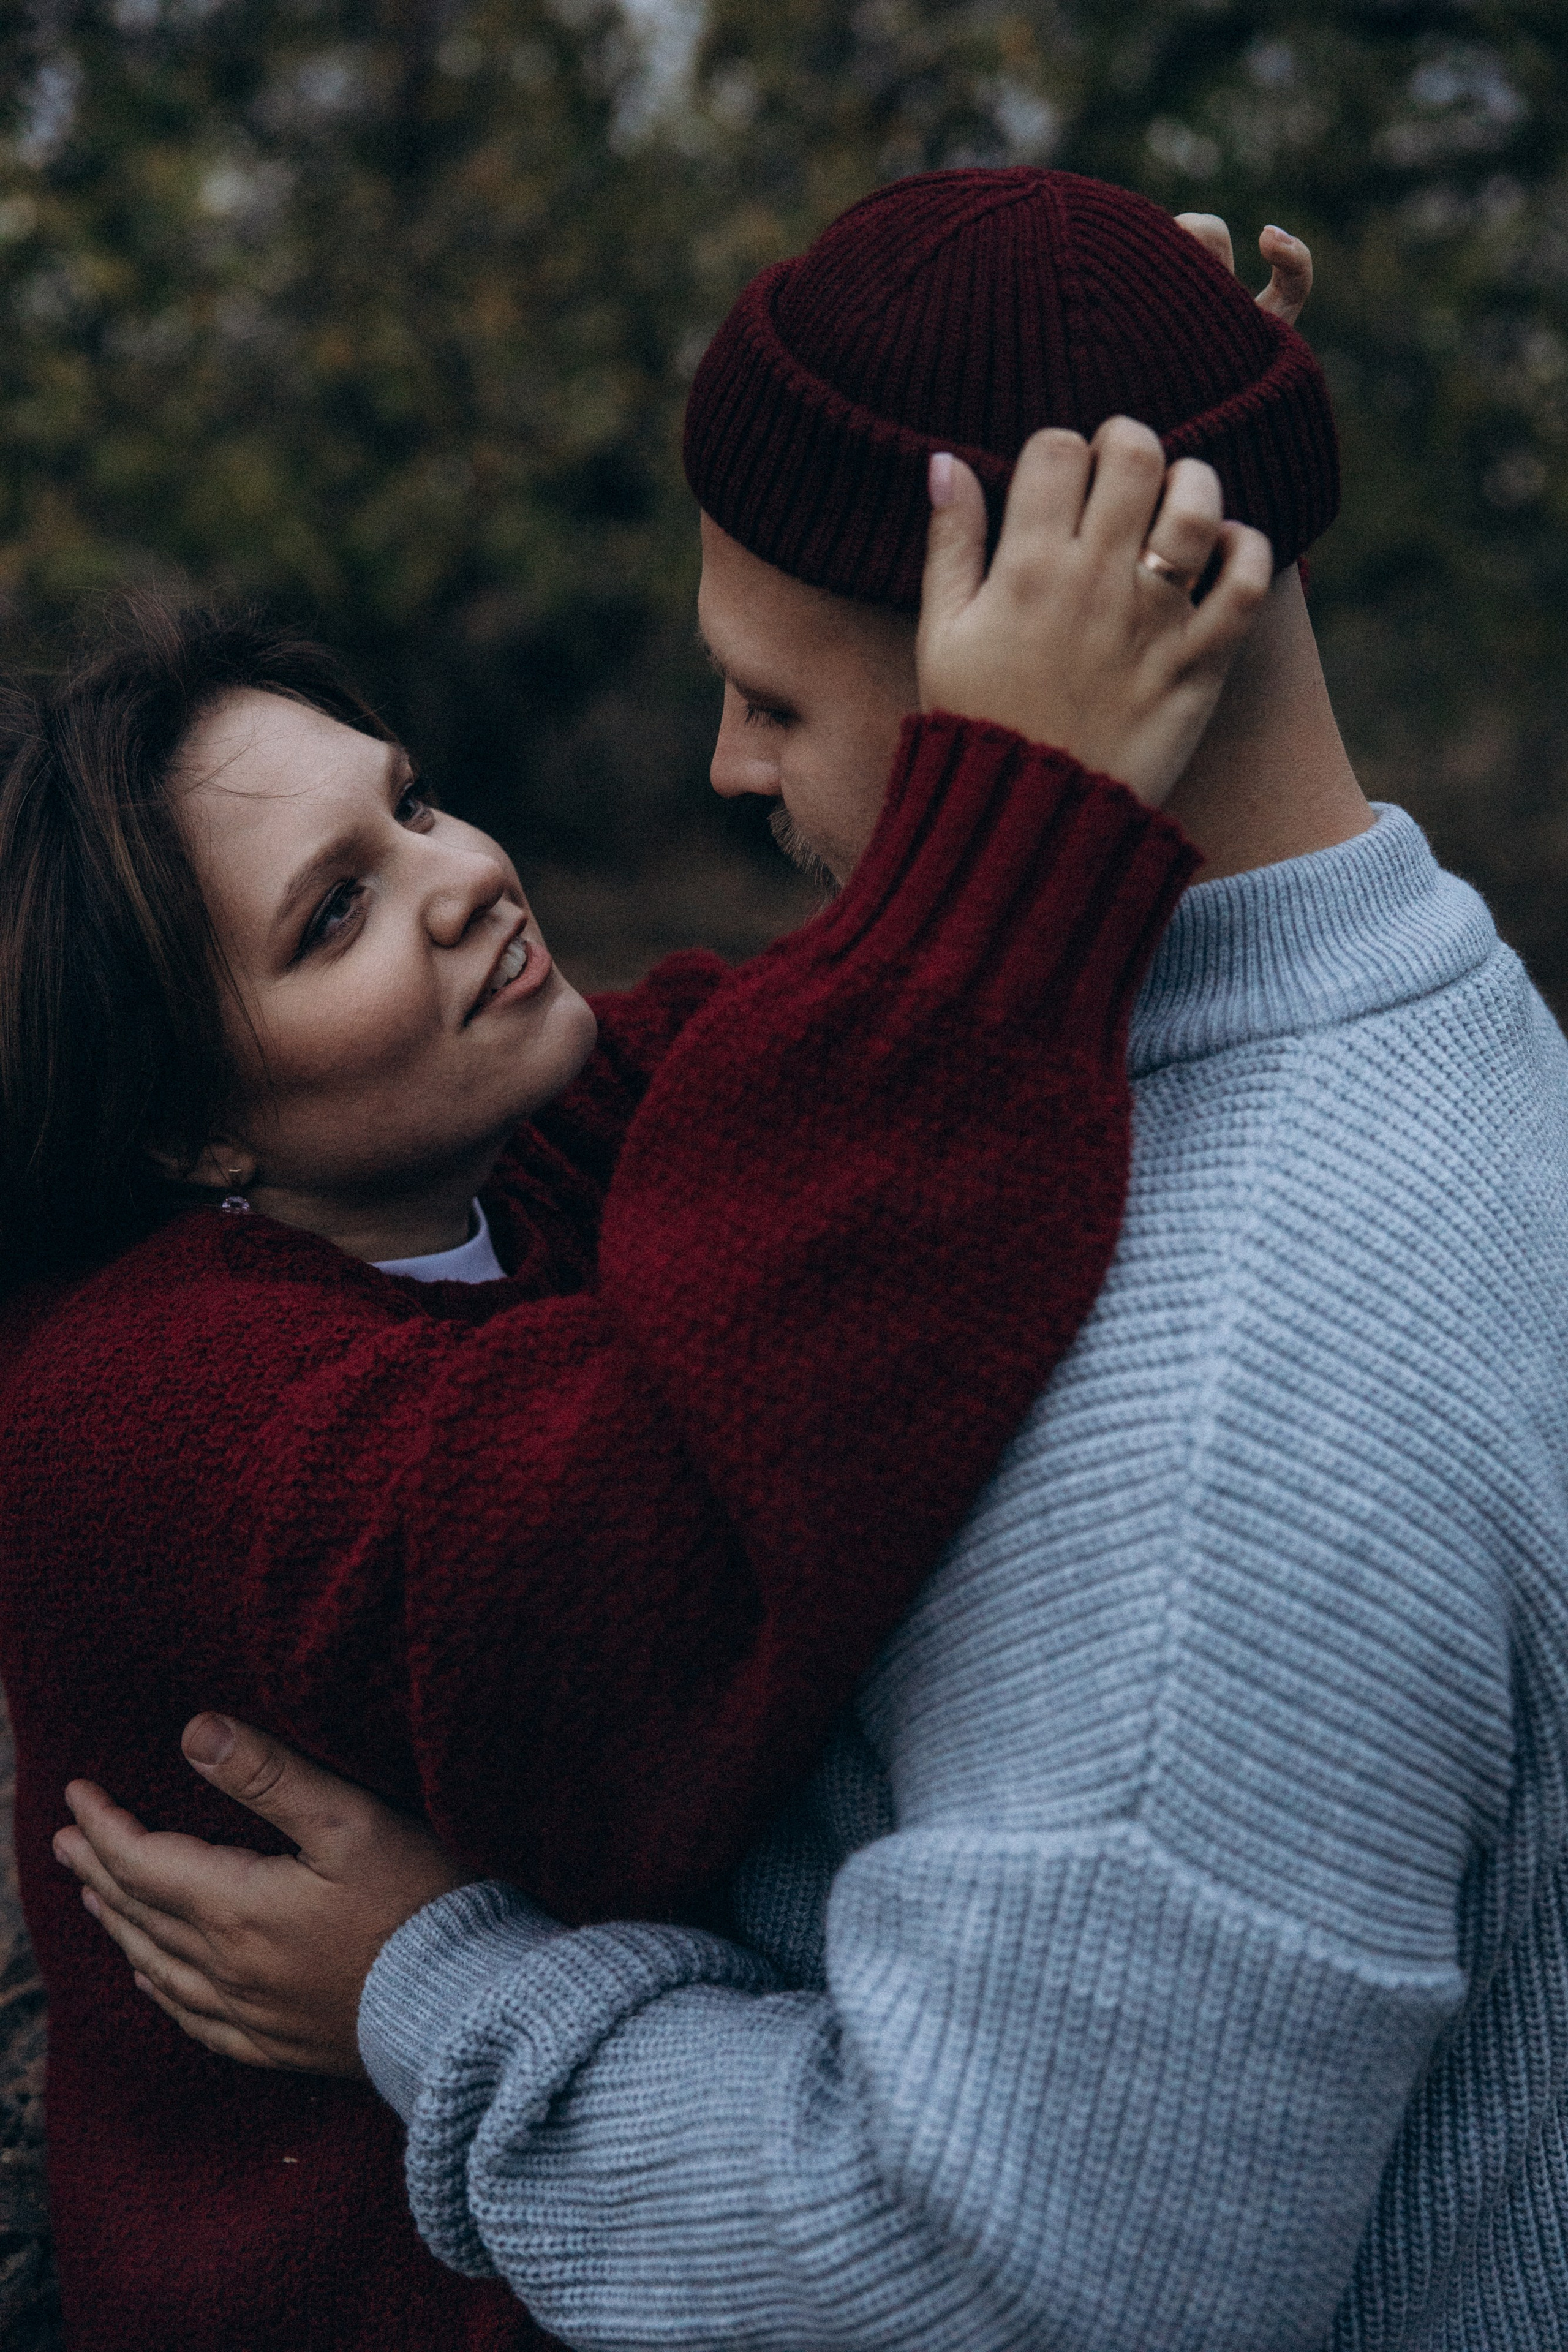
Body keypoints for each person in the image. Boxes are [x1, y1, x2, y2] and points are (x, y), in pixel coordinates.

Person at [62, 167, 1568, 2351]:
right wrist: (1148, 366)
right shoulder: (1437, 1018)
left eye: (772, 693)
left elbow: (987, 2289)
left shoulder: (1218, 1396)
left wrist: (443, 1988)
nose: (724, 762)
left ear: (1032, 671)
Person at [0, 395, 1269, 2349]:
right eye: (335, 913)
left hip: (630, 2235)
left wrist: (1135, 449)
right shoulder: (137, 1407)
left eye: (412, 804)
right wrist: (1017, 793)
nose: (463, 877)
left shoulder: (524, 1131)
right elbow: (643, 1577)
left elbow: (823, 1063)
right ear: (191, 1136)